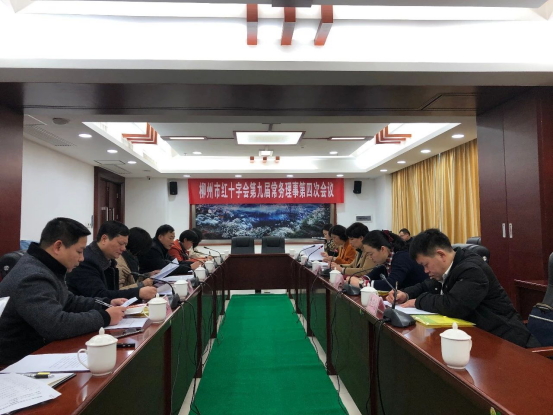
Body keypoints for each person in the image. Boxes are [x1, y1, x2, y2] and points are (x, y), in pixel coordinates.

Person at [0, 218, 127, 365]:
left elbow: (68, 301)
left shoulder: (46, 266)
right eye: (79, 251)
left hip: (39, 352)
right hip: (16, 363)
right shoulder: (32, 276)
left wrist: (106, 304)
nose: (82, 258)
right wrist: (105, 317)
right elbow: (56, 325)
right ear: (58, 246)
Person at [387, 229, 540, 348]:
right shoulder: (449, 267)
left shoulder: (471, 269)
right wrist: (405, 294)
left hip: (509, 344)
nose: (425, 271)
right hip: (482, 341)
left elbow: (453, 305)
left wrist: (417, 302)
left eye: (426, 265)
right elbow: (425, 285)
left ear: (441, 255)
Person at [66, 221, 157, 301]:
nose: (124, 249)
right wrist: (138, 292)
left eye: (125, 245)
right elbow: (100, 296)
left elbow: (112, 292)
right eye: (120, 244)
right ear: (104, 239)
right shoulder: (87, 261)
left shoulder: (110, 261)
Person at [351, 230, 428, 291]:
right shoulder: (389, 257)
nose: (370, 257)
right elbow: (379, 270)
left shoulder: (402, 257)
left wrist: (363, 284)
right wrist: (365, 278)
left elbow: (391, 284)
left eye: (371, 254)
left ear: (382, 249)